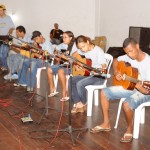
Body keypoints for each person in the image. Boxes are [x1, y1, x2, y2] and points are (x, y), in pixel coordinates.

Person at [90, 38, 150, 143]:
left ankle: (130, 129)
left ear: (137, 46)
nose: (130, 55)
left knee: (126, 104)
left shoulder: (148, 62)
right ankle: (106, 123)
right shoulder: (128, 56)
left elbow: (146, 91)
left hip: (145, 91)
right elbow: (115, 60)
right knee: (104, 92)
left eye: (131, 51)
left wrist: (141, 88)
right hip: (132, 86)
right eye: (127, 52)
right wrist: (117, 71)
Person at [70, 35, 107, 113]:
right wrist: (76, 65)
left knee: (80, 84)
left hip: (99, 77)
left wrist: (97, 71)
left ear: (87, 42)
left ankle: (84, 103)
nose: (82, 50)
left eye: (83, 46)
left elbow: (104, 67)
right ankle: (78, 103)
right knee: (72, 80)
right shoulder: (82, 50)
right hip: (89, 74)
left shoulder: (98, 51)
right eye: (80, 48)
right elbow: (73, 56)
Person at [47, 31, 81, 99]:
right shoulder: (63, 44)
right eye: (63, 37)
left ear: (71, 38)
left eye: (65, 37)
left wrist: (65, 57)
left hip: (72, 66)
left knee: (60, 71)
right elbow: (56, 48)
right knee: (49, 69)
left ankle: (64, 91)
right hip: (64, 64)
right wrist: (57, 54)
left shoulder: (75, 46)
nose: (63, 39)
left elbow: (75, 59)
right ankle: (52, 88)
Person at [0, 4, 15, 73]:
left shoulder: (8, 18)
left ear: (4, 11)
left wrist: (9, 33)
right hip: (0, 38)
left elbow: (12, 27)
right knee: (0, 54)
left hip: (6, 38)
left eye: (1, 10)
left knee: (4, 53)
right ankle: (4, 66)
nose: (0, 12)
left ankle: (5, 67)